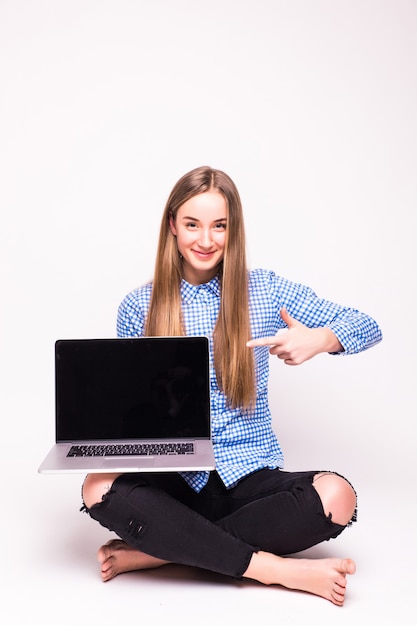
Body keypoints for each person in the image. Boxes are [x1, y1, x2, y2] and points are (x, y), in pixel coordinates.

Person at [81, 166, 382, 606]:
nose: (206, 240)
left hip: (247, 477)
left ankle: (162, 553)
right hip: (174, 480)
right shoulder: (138, 307)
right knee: (96, 486)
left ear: (233, 229)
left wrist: (319, 339)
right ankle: (273, 570)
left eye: (219, 226)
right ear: (172, 226)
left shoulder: (265, 290)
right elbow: (133, 410)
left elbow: (367, 325)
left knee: (338, 495)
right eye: (192, 224)